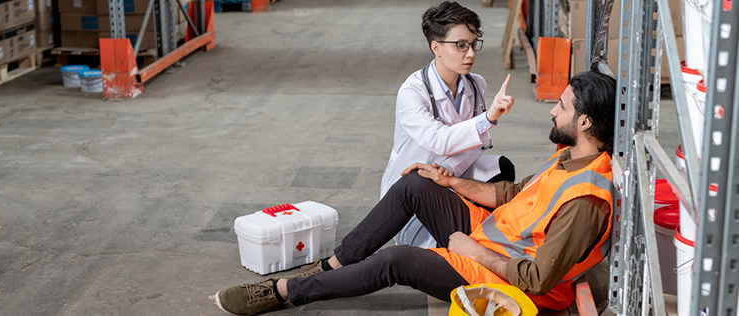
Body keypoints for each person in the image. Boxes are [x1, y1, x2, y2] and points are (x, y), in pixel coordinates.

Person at [215, 71, 617, 315]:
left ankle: (283, 292)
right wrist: (451, 183)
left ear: (583, 121)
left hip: (505, 277)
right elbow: (512, 194)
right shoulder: (568, 157)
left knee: (397, 260)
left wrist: (472, 251)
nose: (551, 110)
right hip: (492, 237)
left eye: (561, 106)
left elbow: (538, 280)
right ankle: (333, 266)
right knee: (415, 183)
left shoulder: (586, 199)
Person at [383, 1, 516, 248]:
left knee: (501, 168)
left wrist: (448, 171)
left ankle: (477, 232)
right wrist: (487, 119)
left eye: (474, 44)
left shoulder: (475, 85)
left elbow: (476, 145)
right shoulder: (413, 91)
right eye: (461, 46)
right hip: (413, 189)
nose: (471, 53)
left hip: (450, 174)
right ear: (436, 47)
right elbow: (440, 140)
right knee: (436, 235)